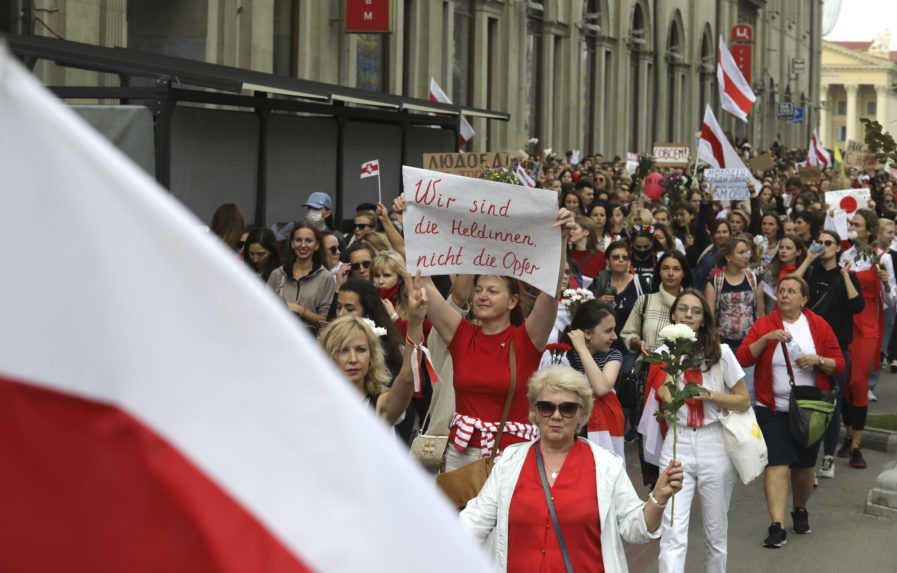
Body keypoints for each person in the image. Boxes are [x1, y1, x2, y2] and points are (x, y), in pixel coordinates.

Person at [459, 365, 684, 572]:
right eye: (546, 407)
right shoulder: (510, 462)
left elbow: (635, 529)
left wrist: (658, 498)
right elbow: (474, 522)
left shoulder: (606, 465)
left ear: (581, 414)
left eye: (567, 408)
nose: (556, 416)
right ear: (535, 413)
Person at [421, 209, 576, 471]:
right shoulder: (461, 335)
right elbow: (423, 286)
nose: (482, 296)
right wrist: (409, 221)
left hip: (512, 458)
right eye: (479, 290)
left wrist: (560, 240)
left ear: (513, 301)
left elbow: (550, 294)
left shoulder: (527, 340)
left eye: (492, 291)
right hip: (461, 458)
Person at [736, 275, 845, 548]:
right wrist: (767, 338)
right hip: (771, 407)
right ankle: (777, 525)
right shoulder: (765, 324)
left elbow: (839, 364)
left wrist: (818, 360)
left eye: (791, 291)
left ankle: (800, 508)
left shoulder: (817, 325)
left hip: (809, 409)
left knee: (804, 468)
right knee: (777, 464)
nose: (784, 295)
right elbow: (743, 358)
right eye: (782, 291)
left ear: (803, 299)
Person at [647, 289, 750, 573]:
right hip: (678, 440)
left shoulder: (722, 353)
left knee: (715, 534)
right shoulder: (665, 354)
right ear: (674, 315)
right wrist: (673, 354)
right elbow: (665, 395)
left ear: (704, 319)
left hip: (713, 441)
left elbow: (743, 400)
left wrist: (711, 395)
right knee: (672, 531)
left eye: (696, 311)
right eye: (683, 309)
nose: (689, 315)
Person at [793, 229, 864, 479]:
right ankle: (806, 460)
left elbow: (857, 305)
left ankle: (829, 456)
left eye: (828, 243)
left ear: (837, 248)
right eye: (819, 242)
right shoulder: (811, 273)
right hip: (808, 348)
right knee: (806, 403)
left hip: (835, 350)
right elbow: (789, 287)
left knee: (830, 405)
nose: (822, 246)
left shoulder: (846, 275)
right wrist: (808, 259)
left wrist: (845, 275)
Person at [837, 209, 896, 467]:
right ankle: (849, 435)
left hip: (869, 324)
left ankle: (857, 446)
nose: (852, 228)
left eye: (857, 224)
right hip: (847, 323)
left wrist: (885, 284)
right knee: (846, 382)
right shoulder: (846, 256)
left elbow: (891, 299)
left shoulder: (882, 258)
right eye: (851, 223)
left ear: (868, 231)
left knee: (859, 381)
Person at [317, 294, 421, 426]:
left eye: (361, 350)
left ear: (372, 356)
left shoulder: (381, 404)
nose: (353, 359)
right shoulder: (315, 403)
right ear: (329, 355)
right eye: (343, 350)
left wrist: (416, 322)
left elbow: (407, 379)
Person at [563, 301, 625, 456]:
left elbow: (601, 388)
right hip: (571, 428)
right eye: (608, 331)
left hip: (602, 432)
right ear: (588, 333)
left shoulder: (613, 355)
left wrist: (582, 349)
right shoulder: (564, 354)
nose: (614, 336)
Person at [267, 223, 336, 332]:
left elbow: (326, 322)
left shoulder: (326, 278)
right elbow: (265, 310)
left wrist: (301, 311)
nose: (303, 245)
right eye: (298, 240)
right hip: (279, 336)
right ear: (292, 244)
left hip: (311, 342)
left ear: (317, 245)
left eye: (308, 241)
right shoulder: (277, 274)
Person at [622, 250, 692, 355]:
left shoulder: (692, 303)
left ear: (684, 273)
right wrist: (637, 343)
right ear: (659, 271)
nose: (670, 273)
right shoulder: (645, 301)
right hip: (649, 365)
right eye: (665, 268)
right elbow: (628, 334)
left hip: (684, 367)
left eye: (676, 269)